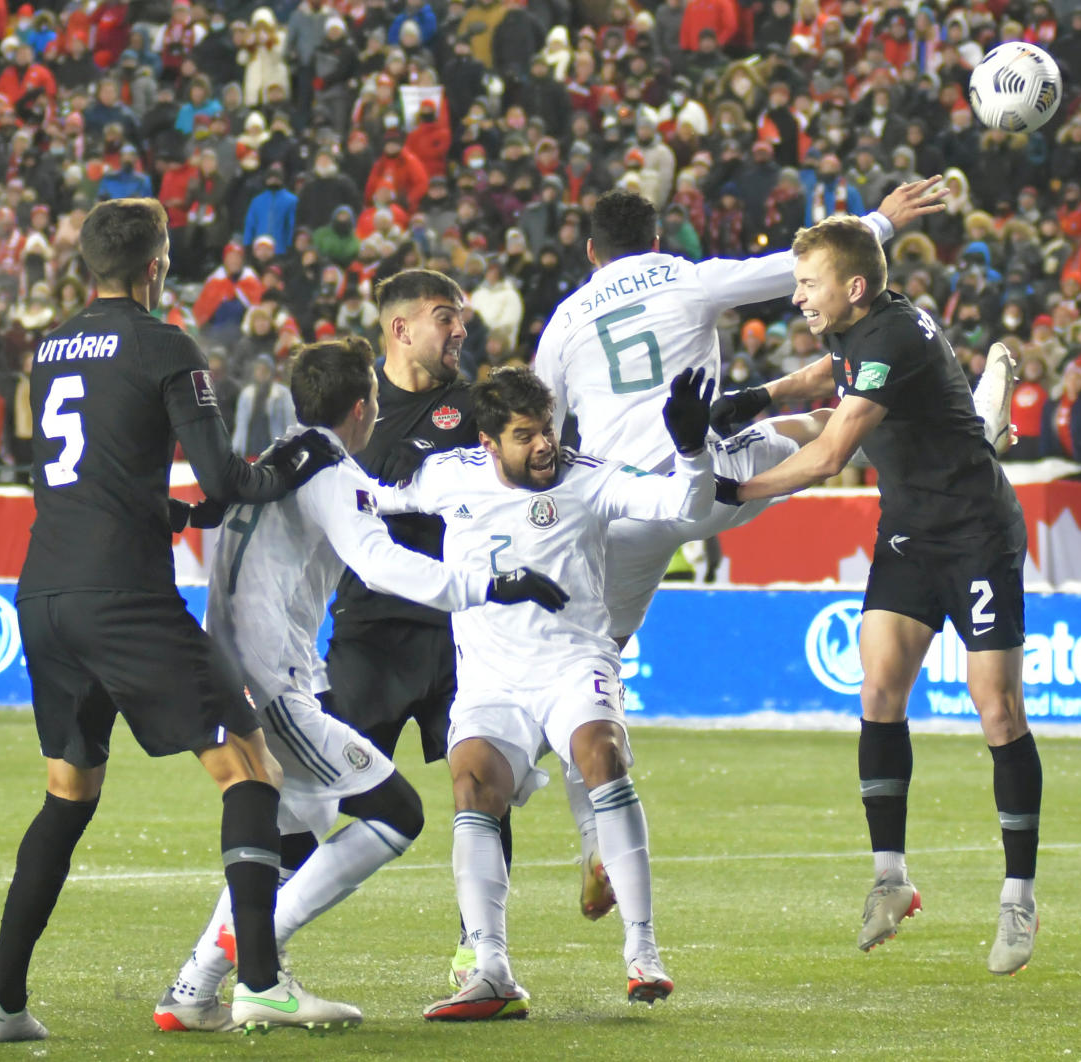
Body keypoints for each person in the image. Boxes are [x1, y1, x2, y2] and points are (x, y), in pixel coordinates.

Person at [0, 198, 340, 1044]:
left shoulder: (48, 347)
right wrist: (301, 454)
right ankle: (259, 982)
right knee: (252, 770)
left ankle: (2, 1002)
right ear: (156, 265)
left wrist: (168, 515)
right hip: (124, 601)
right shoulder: (165, 345)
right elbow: (228, 480)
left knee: (67, 796)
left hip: (44, 594)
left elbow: (97, 471)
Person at [153, 336, 567, 1032]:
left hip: (239, 670)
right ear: (363, 406)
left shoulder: (278, 459)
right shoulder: (328, 470)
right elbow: (378, 561)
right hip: (272, 683)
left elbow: (370, 505)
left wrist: (429, 493)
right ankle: (257, 959)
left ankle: (194, 990)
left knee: (292, 842)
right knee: (395, 811)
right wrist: (493, 583)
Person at [721, 215, 1040, 977]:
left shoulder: (892, 339)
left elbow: (833, 450)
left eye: (808, 284)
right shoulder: (861, 328)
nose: (797, 296)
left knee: (995, 706)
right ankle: (891, 879)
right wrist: (749, 400)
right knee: (879, 691)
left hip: (976, 533)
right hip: (909, 530)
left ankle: (1018, 896)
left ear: (853, 287)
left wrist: (731, 491)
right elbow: (825, 386)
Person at [372, 366, 719, 1020]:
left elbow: (687, 508)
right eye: (524, 435)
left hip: (572, 662)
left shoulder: (590, 478)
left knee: (601, 754)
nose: (543, 446)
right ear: (487, 441)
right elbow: (379, 500)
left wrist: (693, 452)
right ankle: (490, 970)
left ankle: (642, 951)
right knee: (471, 784)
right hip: (490, 679)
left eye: (548, 430)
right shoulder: (450, 476)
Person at [533, 182, 949, 648]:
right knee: (816, 425)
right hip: (706, 482)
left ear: (592, 251)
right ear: (655, 243)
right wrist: (881, 221)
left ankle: (589, 709)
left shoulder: (563, 323)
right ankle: (951, 433)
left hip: (621, 509)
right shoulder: (686, 278)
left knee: (601, 649)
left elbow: (539, 431)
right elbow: (792, 269)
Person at [318, 269, 575, 991]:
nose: (461, 330)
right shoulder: (352, 407)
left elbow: (540, 477)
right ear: (400, 329)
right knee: (317, 793)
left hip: (466, 632)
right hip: (369, 628)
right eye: (445, 318)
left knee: (484, 785)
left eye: (462, 318)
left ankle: (480, 954)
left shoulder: (476, 408)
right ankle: (250, 943)